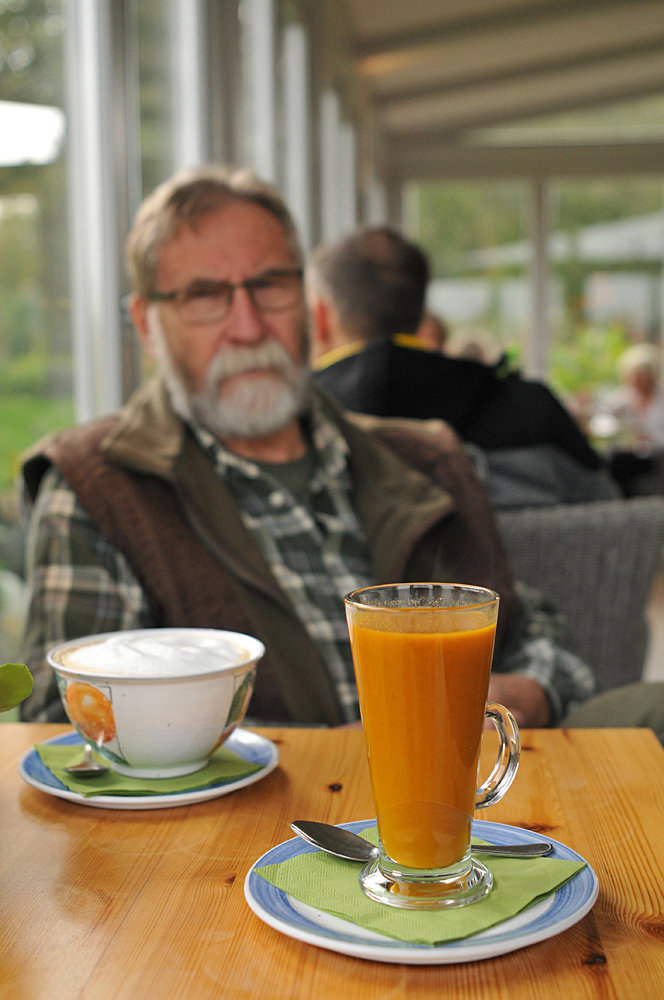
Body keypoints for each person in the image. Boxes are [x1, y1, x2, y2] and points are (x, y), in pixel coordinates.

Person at [20, 167, 663, 739]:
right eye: (205, 296)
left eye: (270, 285)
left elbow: (529, 624)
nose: (247, 326)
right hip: (254, 836)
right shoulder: (97, 486)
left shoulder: (424, 457)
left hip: (473, 794)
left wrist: (530, 691)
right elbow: (66, 729)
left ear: (311, 306)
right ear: (146, 327)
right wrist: (347, 749)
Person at [309, 226, 617, 508]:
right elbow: (616, 525)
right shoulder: (532, 410)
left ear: (321, 317)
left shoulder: (296, 424)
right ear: (420, 310)